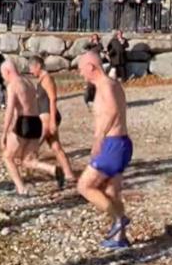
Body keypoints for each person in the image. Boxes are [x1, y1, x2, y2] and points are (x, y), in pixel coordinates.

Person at [76, 52, 133, 249]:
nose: (80, 72)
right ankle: (120, 239)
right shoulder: (113, 83)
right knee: (111, 191)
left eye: (81, 68)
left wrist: (99, 138)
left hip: (112, 143)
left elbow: (112, 111)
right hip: (122, 143)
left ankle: (119, 219)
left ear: (91, 66)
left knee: (84, 186)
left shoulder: (105, 85)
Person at [28, 55, 76, 187]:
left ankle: (51, 171)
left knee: (31, 150)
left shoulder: (47, 79)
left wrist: (53, 121)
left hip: (48, 118)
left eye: (31, 68)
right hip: (45, 117)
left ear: (37, 66)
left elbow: (53, 99)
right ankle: (69, 174)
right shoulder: (41, 79)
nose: (31, 71)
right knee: (56, 147)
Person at [0, 61, 45, 195]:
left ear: (7, 72)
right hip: (36, 121)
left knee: (8, 156)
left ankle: (21, 188)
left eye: (3, 75)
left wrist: (4, 132)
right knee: (27, 159)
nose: (3, 78)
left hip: (24, 121)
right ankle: (51, 170)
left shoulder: (13, 85)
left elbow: (10, 110)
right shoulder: (29, 82)